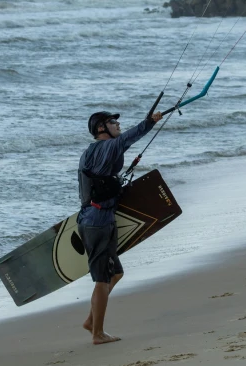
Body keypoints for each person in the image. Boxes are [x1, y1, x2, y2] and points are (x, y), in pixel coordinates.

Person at [78, 109, 162, 345]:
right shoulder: (106, 147)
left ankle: (90, 320)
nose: (118, 125)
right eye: (113, 122)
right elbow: (127, 139)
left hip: (94, 219)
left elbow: (121, 145)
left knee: (115, 273)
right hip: (98, 222)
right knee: (103, 279)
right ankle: (97, 334)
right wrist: (149, 122)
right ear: (101, 129)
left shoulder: (90, 152)